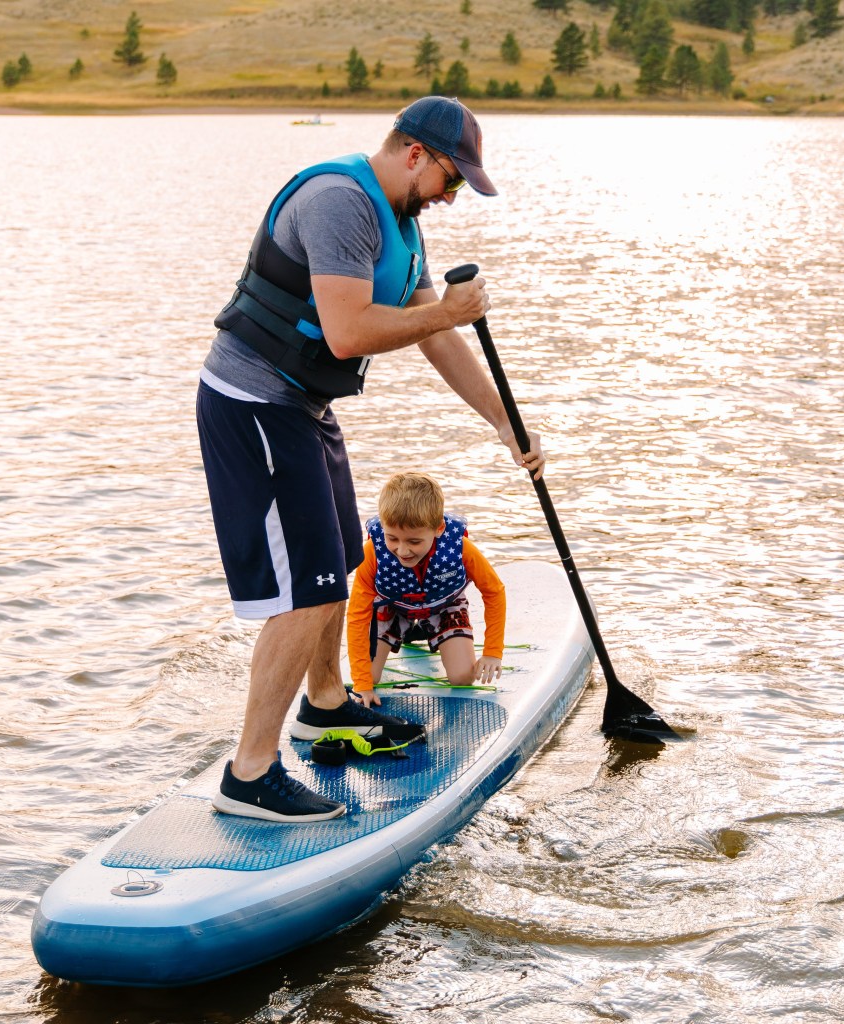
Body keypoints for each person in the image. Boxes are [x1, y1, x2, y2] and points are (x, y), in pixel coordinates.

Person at [195, 96, 544, 825]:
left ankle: (325, 706)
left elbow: (434, 336)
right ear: (414, 153)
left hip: (304, 408)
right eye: (452, 178)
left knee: (342, 566)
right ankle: (249, 773)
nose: (452, 196)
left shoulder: (404, 224)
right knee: (310, 592)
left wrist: (505, 423)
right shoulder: (338, 203)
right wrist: (447, 311)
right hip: (254, 405)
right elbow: (349, 333)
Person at [347, 473, 505, 706]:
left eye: (414, 541)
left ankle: (425, 628)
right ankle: (409, 629)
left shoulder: (461, 548)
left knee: (462, 678)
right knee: (369, 677)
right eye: (392, 538)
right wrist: (361, 683)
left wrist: (492, 651)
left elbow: (494, 591)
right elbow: (357, 616)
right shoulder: (372, 552)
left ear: (439, 528)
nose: (402, 551)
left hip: (443, 604)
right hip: (393, 605)